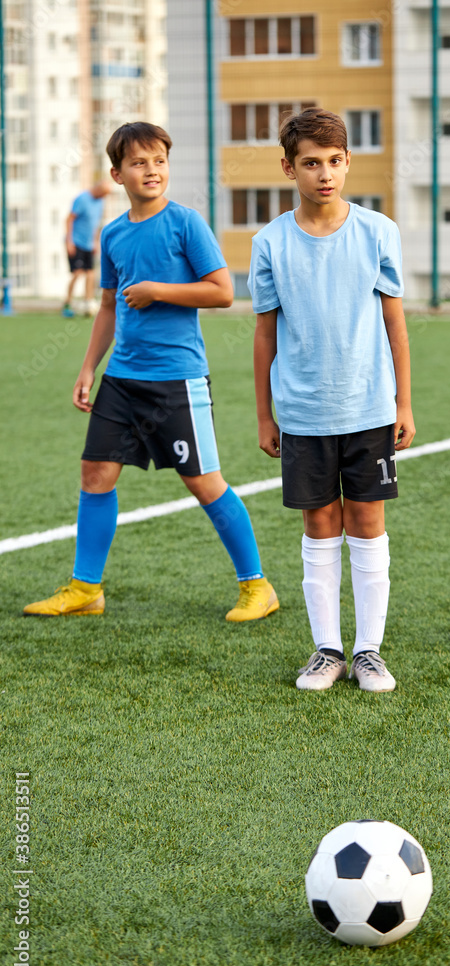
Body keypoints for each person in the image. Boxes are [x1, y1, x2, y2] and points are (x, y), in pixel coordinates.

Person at [24, 121, 278, 623]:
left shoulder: (186, 224)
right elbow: (108, 306)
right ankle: (85, 589)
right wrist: (87, 368)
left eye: (159, 160)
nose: (151, 170)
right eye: (139, 162)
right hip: (121, 379)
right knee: (95, 474)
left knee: (203, 483)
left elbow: (223, 292)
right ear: (118, 174)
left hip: (177, 381)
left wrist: (159, 289)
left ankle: (257, 586)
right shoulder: (113, 233)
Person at [250, 108, 415, 692]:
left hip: (369, 408)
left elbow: (396, 325)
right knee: (320, 525)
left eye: (334, 161)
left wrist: (404, 403)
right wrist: (266, 414)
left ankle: (369, 651)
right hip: (302, 412)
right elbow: (265, 333)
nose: (324, 173)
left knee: (367, 523)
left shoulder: (378, 232)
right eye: (311, 163)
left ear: (348, 162)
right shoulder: (269, 241)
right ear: (288, 167)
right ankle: (327, 651)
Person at [63, 180, 113, 317]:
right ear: (98, 189)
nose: (104, 197)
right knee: (77, 273)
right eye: (103, 193)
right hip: (76, 241)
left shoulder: (100, 202)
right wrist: (69, 242)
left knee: (91, 273)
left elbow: (95, 224)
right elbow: (69, 219)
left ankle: (88, 302)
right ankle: (67, 303)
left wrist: (95, 242)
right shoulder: (82, 199)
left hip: (89, 243)